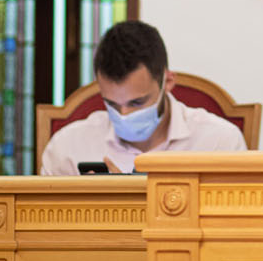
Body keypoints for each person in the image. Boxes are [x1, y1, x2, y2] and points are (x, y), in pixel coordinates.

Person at [40, 21, 247, 174]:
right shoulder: (67, 147)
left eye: (137, 102)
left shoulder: (219, 143)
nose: (124, 115)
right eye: (112, 104)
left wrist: (134, 201)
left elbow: (232, 225)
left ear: (167, 82)